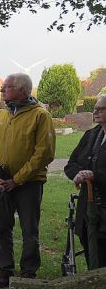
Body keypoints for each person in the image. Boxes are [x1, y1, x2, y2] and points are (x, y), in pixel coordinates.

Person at [0, 73, 55, 287]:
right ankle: (5, 271)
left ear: (22, 90)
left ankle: (28, 273)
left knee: (29, 230)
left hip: (28, 184)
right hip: (0, 183)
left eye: (7, 87)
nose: (2, 90)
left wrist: (18, 179)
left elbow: (44, 153)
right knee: (2, 229)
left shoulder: (40, 115)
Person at [65, 94, 106, 270]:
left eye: (100, 109)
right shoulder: (91, 135)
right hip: (88, 210)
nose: (95, 112)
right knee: (91, 252)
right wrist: (78, 174)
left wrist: (94, 175)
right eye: (95, 108)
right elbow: (71, 163)